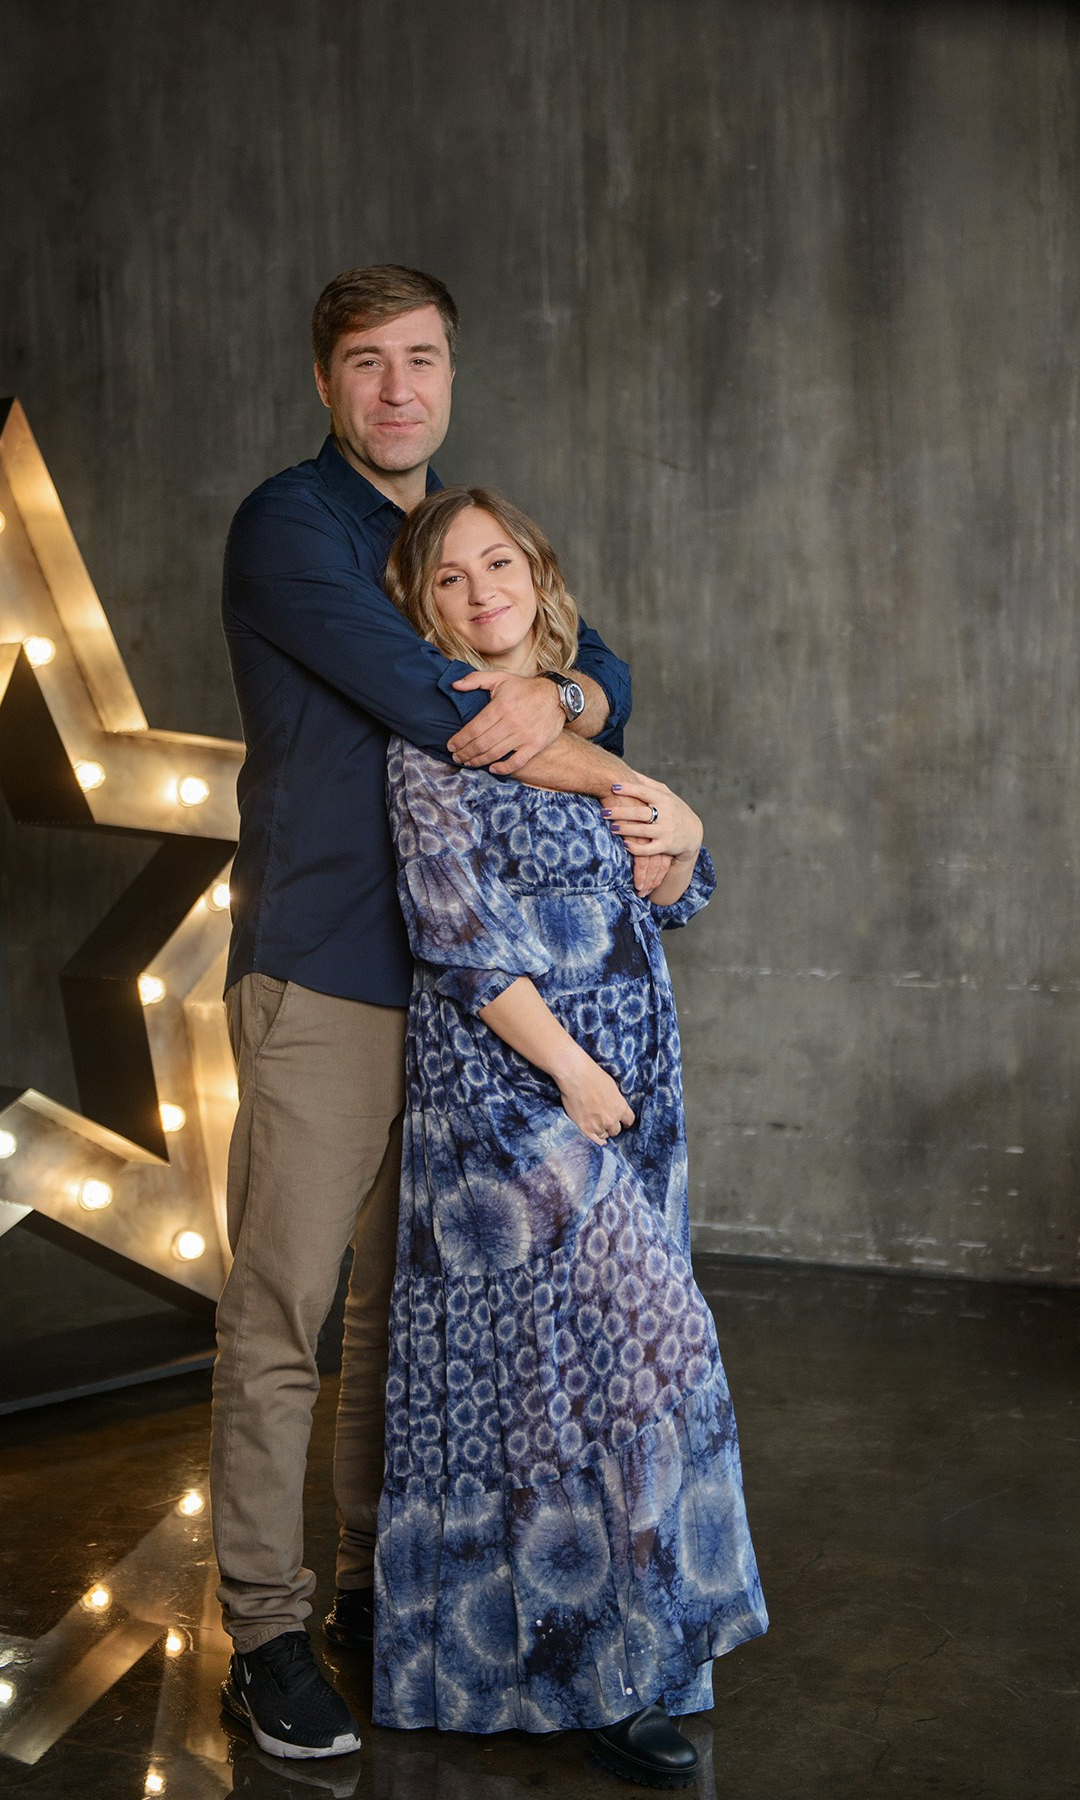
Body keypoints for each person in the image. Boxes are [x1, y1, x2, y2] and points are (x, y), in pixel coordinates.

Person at [213, 265, 663, 1762]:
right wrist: (636, 778)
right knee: (287, 1311)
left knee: (411, 1317)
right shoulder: (292, 528)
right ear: (326, 383)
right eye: (365, 364)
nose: (397, 390)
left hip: (474, 999)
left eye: (421, 361)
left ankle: (366, 1588)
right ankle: (266, 1632)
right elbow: (452, 703)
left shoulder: (452, 538)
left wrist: (581, 705)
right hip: (329, 972)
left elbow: (580, 657)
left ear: (450, 376)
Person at [375, 487, 768, 1790]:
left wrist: (678, 836)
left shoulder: (576, 718)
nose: (478, 589)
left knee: (587, 1379)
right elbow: (453, 931)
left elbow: (667, 892)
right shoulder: (426, 740)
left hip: (632, 1069)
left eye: (498, 564)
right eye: (447, 578)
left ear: (539, 582)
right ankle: (593, 1668)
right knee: (579, 1374)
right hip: (510, 1082)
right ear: (421, 608)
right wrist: (571, 1077)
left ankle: (628, 1654)